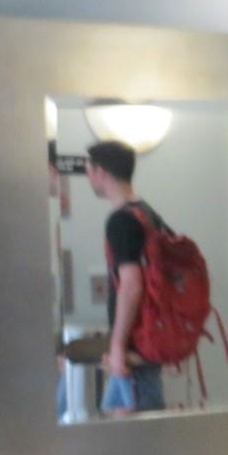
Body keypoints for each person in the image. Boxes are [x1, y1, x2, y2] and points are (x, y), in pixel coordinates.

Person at [86, 139, 169, 414]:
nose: (89, 179)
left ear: (100, 172)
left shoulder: (121, 220)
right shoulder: (148, 214)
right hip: (147, 343)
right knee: (115, 425)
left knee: (137, 434)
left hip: (135, 351)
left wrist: (118, 346)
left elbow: (131, 285)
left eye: (89, 171)